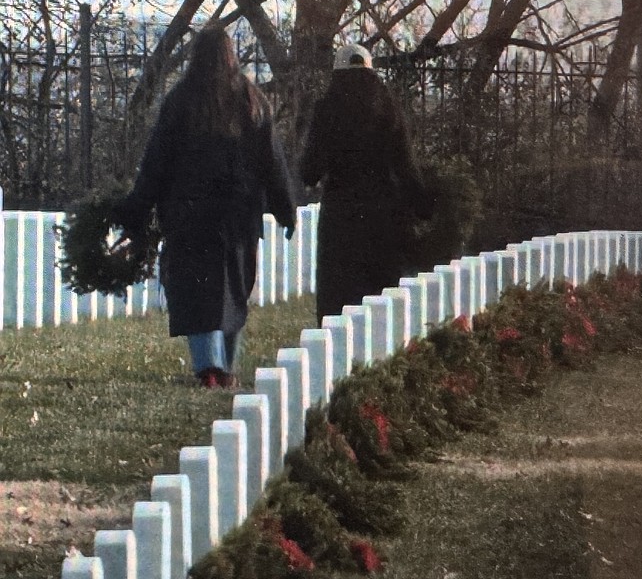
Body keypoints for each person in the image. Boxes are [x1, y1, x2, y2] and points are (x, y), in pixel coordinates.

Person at [113, 22, 296, 388]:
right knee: (233, 290)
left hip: (189, 215)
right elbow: (271, 161)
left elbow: (156, 161)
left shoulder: (181, 100)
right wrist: (284, 206)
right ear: (232, 56)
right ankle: (224, 364)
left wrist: (137, 207)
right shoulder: (251, 100)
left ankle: (208, 365)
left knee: (197, 292)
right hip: (238, 217)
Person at [300, 43, 433, 325]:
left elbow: (309, 170)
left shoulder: (327, 109)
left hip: (341, 215)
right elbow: (406, 165)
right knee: (379, 301)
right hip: (383, 214)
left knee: (339, 299)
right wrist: (425, 206)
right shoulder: (389, 110)